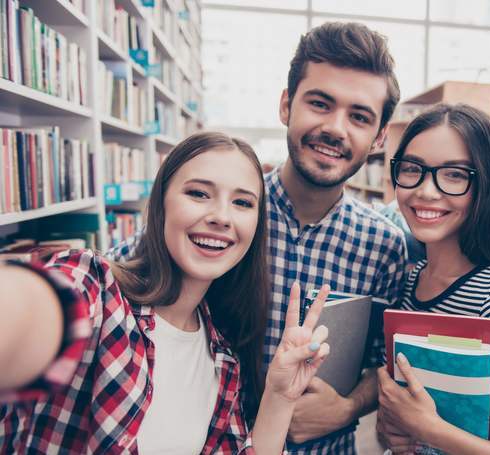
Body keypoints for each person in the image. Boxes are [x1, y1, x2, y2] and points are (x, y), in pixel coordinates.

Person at [109, 22, 407, 454]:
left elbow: (385, 363)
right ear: (286, 105)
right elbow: (124, 276)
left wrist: (346, 408)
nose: (336, 128)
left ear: (379, 136)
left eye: (359, 117)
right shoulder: (225, 214)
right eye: (320, 103)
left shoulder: (384, 244)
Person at [0, 132, 333, 454]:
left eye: (243, 202)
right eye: (199, 194)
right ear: (161, 203)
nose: (221, 217)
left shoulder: (221, 357)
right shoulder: (98, 290)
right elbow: (35, 309)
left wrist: (279, 394)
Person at [374, 103, 490, 455]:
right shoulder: (409, 280)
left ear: (485, 187)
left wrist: (429, 429)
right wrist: (393, 429)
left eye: (455, 175)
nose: (426, 191)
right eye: (413, 169)